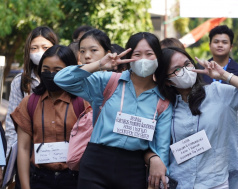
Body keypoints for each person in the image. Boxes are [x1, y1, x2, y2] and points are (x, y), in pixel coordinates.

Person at [54, 32, 172, 189]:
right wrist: (99, 65)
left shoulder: (162, 101)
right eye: (137, 54)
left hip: (133, 168)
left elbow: (161, 148)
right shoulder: (109, 81)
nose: (143, 59)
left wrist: (156, 179)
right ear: (128, 56)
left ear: (158, 57)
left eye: (149, 54)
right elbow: (61, 79)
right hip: (97, 162)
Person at [149, 47, 238, 189]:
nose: (186, 71)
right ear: (167, 81)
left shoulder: (217, 92)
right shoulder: (166, 105)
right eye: (177, 69)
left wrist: (224, 75)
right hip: (180, 182)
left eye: (187, 64)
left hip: (215, 182)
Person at [10, 45, 83, 189]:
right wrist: (25, 186)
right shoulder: (30, 102)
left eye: (57, 71)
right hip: (40, 178)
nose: (51, 74)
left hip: (74, 179)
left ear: (70, 70)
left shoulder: (82, 102)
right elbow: (23, 148)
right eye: (46, 70)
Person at [5, 26, 58, 157]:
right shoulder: (21, 82)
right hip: (29, 152)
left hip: (59, 151)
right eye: (34, 48)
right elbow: (12, 125)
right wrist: (10, 159)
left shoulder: (65, 78)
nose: (39, 52)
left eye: (45, 48)